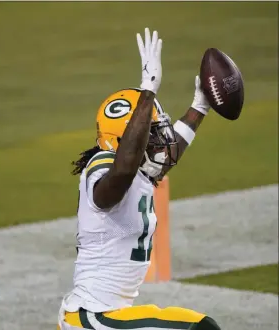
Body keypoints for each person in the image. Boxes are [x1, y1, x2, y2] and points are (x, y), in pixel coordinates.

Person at [57, 28, 222, 330]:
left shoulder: (141, 171)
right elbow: (122, 171)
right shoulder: (102, 167)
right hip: (92, 316)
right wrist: (147, 90)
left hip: (110, 315)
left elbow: (167, 154)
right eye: (151, 135)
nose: (161, 143)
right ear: (125, 140)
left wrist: (199, 107)